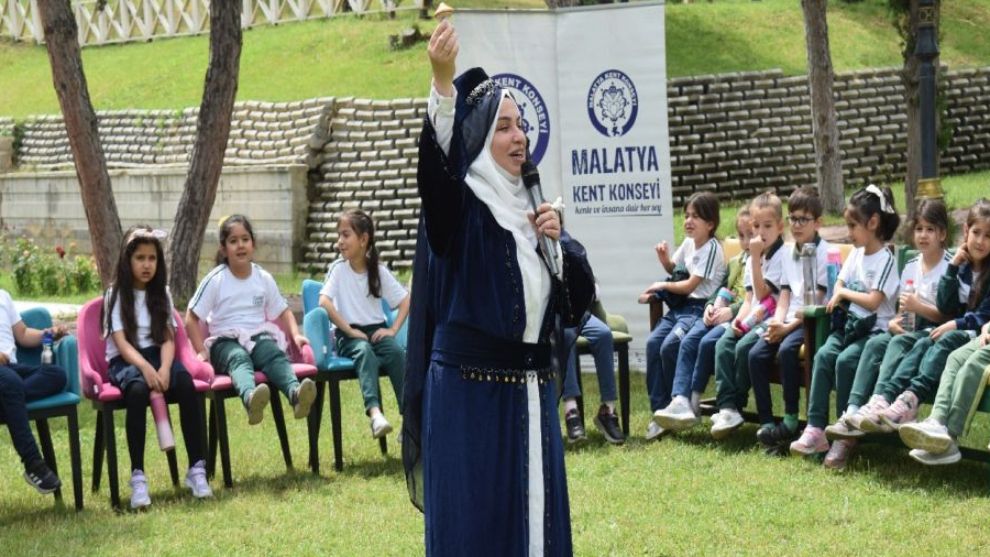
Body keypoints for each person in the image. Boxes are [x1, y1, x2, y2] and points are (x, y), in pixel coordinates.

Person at [401, 19, 594, 556]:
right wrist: (443, 85)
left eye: (522, 125)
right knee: (476, 528)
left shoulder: (534, 207)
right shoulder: (461, 206)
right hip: (470, 400)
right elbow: (435, 178)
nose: (519, 137)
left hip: (531, 397)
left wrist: (559, 246)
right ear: (481, 136)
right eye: (504, 127)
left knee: (534, 526)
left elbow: (576, 301)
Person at [824, 200, 972, 468]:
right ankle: (856, 410)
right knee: (877, 344)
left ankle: (883, 399)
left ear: (942, 234)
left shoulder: (950, 266)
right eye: (918, 229)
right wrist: (894, 322)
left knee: (900, 343)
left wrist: (920, 308)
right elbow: (901, 311)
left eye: (930, 229)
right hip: (908, 330)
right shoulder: (911, 265)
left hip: (933, 334)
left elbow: (952, 317)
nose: (923, 235)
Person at [103, 226, 212, 509]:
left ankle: (197, 469)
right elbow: (121, 343)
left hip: (158, 355)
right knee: (137, 391)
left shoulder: (160, 292)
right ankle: (138, 477)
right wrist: (146, 370)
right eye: (140, 258)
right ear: (127, 261)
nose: (147, 264)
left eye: (152, 258)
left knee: (186, 385)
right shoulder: (114, 294)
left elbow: (168, 338)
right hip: (126, 360)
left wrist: (164, 368)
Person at [790, 185, 900, 459]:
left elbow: (874, 301)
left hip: (872, 331)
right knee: (825, 354)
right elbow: (839, 277)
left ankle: (844, 434)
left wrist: (842, 293)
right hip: (848, 325)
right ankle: (815, 428)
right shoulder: (857, 254)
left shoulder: (885, 258)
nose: (848, 233)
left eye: (853, 226)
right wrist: (839, 287)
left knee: (845, 361)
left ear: (873, 223)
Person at [186, 215, 316, 426]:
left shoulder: (262, 277)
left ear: (253, 244)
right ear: (223, 248)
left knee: (273, 354)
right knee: (239, 358)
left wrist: (296, 334)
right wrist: (201, 350)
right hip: (224, 341)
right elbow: (191, 318)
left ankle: (296, 395)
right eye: (233, 241)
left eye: (245, 239)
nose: (240, 246)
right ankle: (250, 399)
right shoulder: (216, 279)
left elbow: (284, 312)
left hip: (256, 336)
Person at [898, 199, 990, 465]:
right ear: (966, 231)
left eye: (988, 236)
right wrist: (952, 269)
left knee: (965, 357)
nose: (981, 241)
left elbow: (983, 314)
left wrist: (957, 324)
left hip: (973, 331)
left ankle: (949, 435)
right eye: (976, 233)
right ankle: (937, 422)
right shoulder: (961, 266)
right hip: (971, 332)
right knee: (953, 358)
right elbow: (946, 305)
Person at [653, 206, 752, 433]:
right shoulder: (736, 261)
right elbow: (722, 289)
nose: (745, 241)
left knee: (706, 343)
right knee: (681, 342)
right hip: (716, 313)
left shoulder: (758, 261)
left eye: (750, 235)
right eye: (741, 236)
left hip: (738, 318)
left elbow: (757, 298)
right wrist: (712, 306)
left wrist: (730, 311)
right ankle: (677, 403)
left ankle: (694, 401)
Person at [748, 187, 831, 452]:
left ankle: (793, 420)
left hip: (811, 321)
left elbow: (816, 300)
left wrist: (786, 328)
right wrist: (777, 323)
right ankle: (768, 425)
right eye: (793, 218)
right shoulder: (787, 251)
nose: (796, 225)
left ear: (817, 222)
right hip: (787, 320)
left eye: (803, 220)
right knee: (756, 355)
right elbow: (784, 293)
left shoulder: (824, 253)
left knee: (785, 351)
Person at [639, 191, 726, 440]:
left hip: (698, 310)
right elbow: (676, 271)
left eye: (695, 217)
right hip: (680, 309)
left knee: (669, 347)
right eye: (686, 215)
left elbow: (689, 286)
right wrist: (665, 260)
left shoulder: (711, 248)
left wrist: (661, 285)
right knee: (653, 343)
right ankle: (660, 411)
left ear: (710, 224)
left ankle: (677, 404)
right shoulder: (689, 243)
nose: (688, 221)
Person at [319, 209, 410, 438]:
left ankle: (409, 420)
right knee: (364, 352)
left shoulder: (377, 270)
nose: (340, 241)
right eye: (339, 235)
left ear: (363, 239)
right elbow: (324, 302)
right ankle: (375, 415)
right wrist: (348, 329)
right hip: (348, 336)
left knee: (397, 353)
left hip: (376, 331)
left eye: (346, 234)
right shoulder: (338, 270)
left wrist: (392, 329)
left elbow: (406, 300)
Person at [710, 191, 788, 439]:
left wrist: (755, 258)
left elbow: (765, 293)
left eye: (767, 226)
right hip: (752, 316)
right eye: (756, 226)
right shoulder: (754, 255)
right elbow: (749, 298)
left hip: (771, 319)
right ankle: (726, 407)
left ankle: (736, 401)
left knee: (744, 348)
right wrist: (737, 322)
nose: (760, 232)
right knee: (723, 344)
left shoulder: (780, 256)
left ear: (779, 227)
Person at [0, 291, 66, 495]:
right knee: (11, 383)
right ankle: (33, 463)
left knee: (57, 375)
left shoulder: (3, 296)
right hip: (6, 375)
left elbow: (22, 334)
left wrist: (49, 333)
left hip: (10, 370)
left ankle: (9, 400)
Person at [560, 289, 624, 445]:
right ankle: (571, 411)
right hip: (557, 316)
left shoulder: (575, 263)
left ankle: (608, 410)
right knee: (566, 337)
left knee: (603, 334)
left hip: (580, 313)